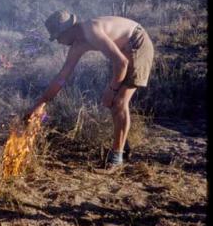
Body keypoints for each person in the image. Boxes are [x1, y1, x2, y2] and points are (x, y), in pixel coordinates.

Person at [27, 10, 154, 173]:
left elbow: (121, 63)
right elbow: (62, 77)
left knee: (119, 102)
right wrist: (41, 103)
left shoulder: (91, 30)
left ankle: (116, 160)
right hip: (124, 50)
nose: (58, 41)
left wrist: (112, 89)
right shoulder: (77, 45)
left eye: (58, 36)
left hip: (137, 43)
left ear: (68, 30)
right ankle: (123, 148)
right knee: (115, 102)